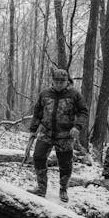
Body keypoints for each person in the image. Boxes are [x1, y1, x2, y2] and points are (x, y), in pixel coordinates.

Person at [27, 69, 89, 202]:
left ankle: (63, 189)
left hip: (65, 135)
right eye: (56, 81)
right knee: (38, 157)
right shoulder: (45, 94)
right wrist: (33, 129)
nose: (59, 84)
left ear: (67, 81)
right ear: (53, 81)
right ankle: (41, 188)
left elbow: (83, 112)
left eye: (62, 81)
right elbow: (37, 112)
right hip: (46, 133)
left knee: (65, 164)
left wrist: (77, 127)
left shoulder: (74, 95)